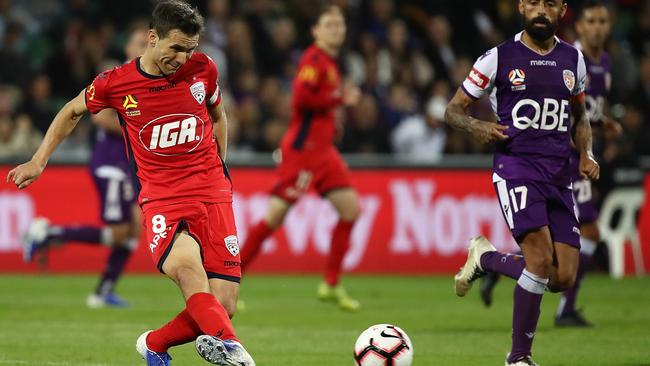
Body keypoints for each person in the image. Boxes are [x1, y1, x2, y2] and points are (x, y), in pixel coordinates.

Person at [6, 1, 255, 365]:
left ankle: (154, 343)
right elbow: (71, 110)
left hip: (213, 193)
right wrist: (39, 160)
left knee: (223, 304)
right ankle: (233, 349)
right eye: (176, 48)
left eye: (190, 49)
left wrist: (220, 165)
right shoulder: (117, 82)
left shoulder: (204, 69)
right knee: (188, 273)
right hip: (163, 200)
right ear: (152, 39)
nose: (183, 58)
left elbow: (219, 115)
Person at [444, 0, 599, 365]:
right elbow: (452, 110)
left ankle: (486, 258)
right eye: (533, 3)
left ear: (561, 10)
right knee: (541, 260)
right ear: (521, 8)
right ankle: (519, 358)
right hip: (517, 167)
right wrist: (476, 125)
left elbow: (580, 116)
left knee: (563, 277)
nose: (540, 10)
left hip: (559, 174)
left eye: (549, 4)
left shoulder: (573, 60)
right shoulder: (497, 58)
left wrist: (586, 153)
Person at [478, 0, 621, 328]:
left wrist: (599, 134)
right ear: (580, 26)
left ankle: (491, 263)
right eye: (592, 21)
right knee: (574, 242)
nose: (598, 27)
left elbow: (582, 113)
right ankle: (557, 319)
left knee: (560, 274)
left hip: (566, 165)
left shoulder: (593, 62)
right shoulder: (558, 54)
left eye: (603, 21)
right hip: (540, 162)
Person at [238, 5, 362, 312]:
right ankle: (227, 280)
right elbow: (302, 98)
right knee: (274, 217)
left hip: (324, 152)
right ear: (315, 31)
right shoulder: (313, 59)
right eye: (329, 24)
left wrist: (333, 122)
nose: (336, 29)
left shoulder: (332, 63)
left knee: (350, 210)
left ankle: (330, 284)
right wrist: (338, 99)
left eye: (339, 24)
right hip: (303, 152)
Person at [22, 24, 148, 309]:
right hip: (110, 162)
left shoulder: (149, 79)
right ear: (127, 48)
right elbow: (101, 118)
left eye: (148, 42)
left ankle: (104, 290)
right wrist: (141, 127)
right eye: (139, 42)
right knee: (119, 232)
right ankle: (47, 234)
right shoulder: (117, 76)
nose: (145, 48)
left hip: (128, 165)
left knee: (135, 228)